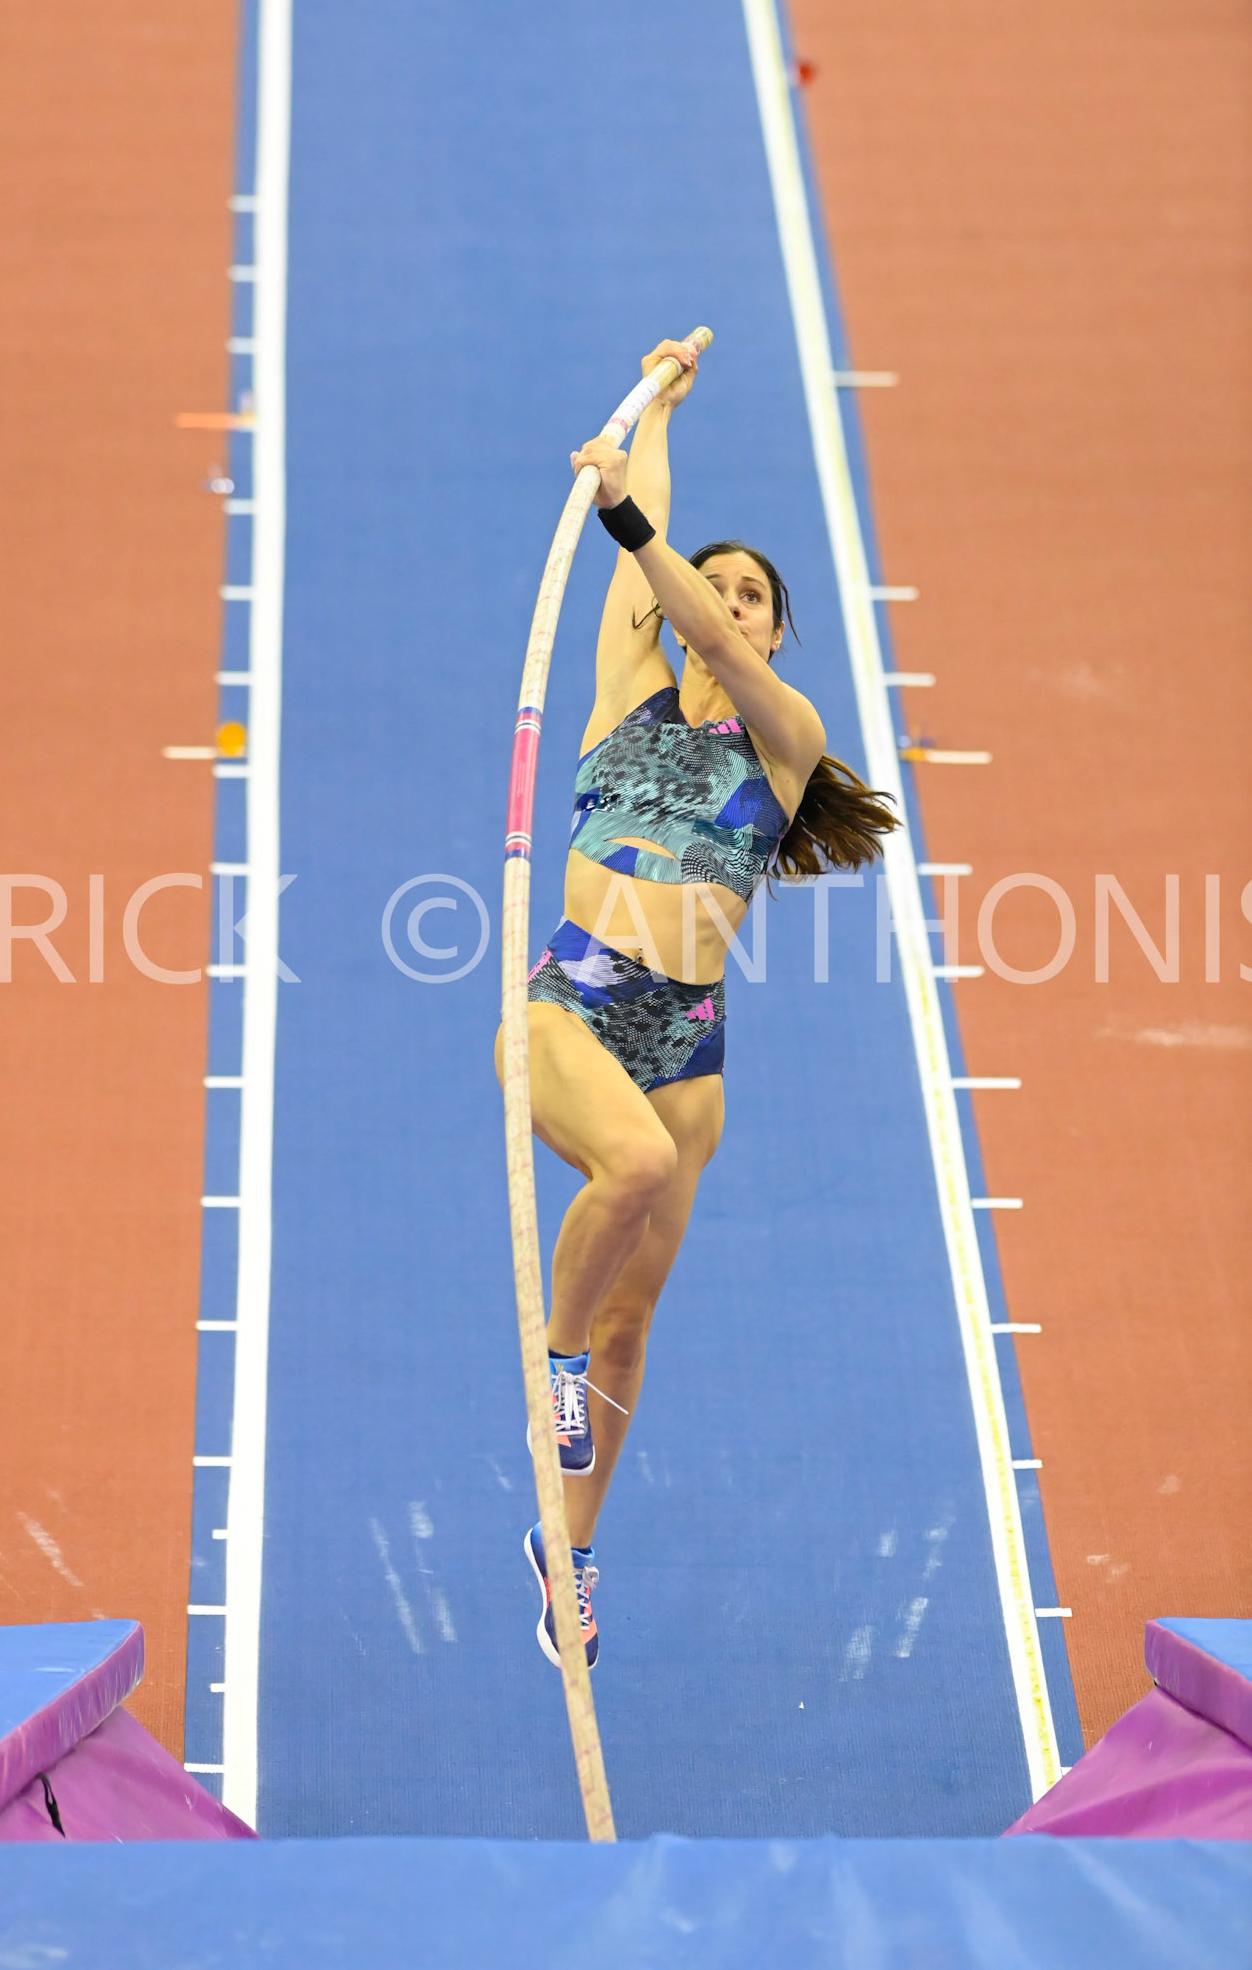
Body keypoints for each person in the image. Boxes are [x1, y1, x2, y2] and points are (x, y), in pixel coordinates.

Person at [495, 339, 896, 1670]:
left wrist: (628, 507)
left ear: (774, 632)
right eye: (709, 586)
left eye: (752, 598)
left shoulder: (788, 739)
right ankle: (548, 1369)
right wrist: (654, 407)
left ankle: (570, 1549)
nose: (728, 606)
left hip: (686, 1034)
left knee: (639, 1315)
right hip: (571, 1000)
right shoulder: (627, 694)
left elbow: (665, 567)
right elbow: (642, 556)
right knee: (629, 1164)